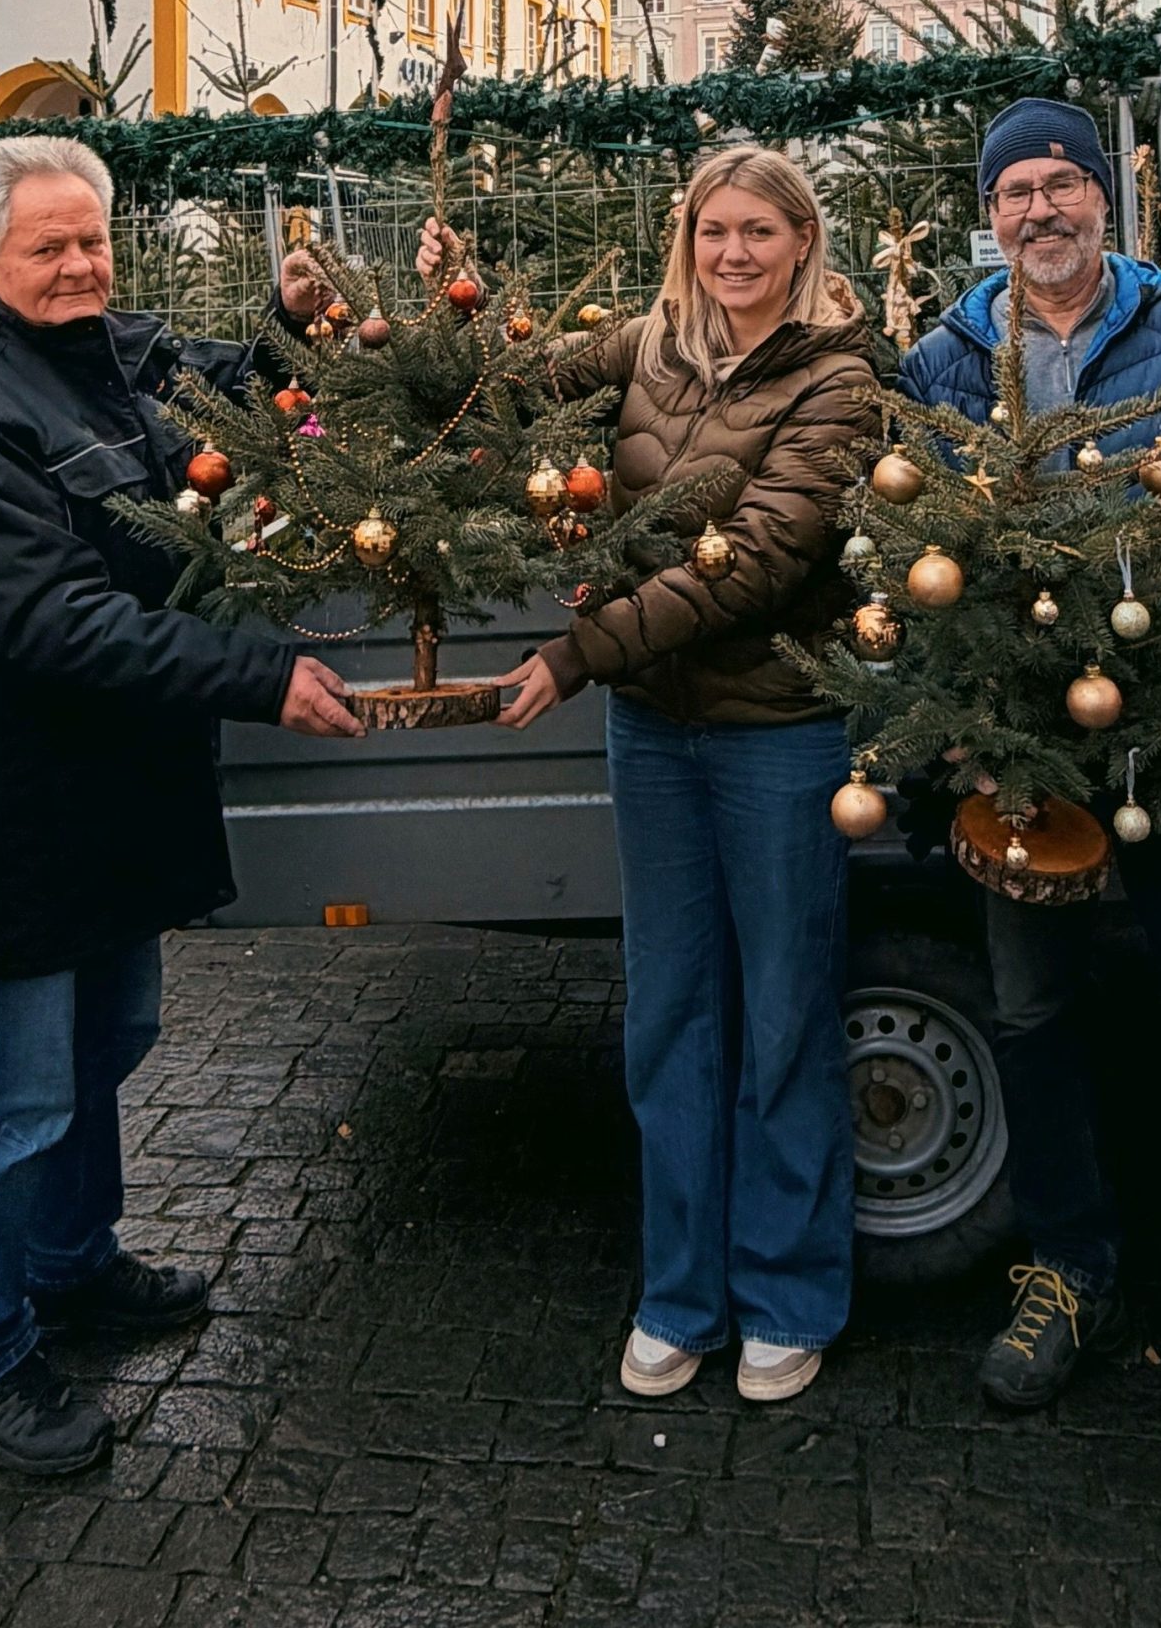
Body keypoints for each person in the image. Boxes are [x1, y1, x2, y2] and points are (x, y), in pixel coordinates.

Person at [0, 139, 364, 1477]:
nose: (77, 265)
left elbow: (246, 382)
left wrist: (293, 316)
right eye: (46, 248)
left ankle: (72, 1262)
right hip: (24, 811)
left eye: (91, 240)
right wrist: (260, 674)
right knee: (15, 1097)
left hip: (121, 793)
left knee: (115, 1035)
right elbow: (56, 623)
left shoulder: (114, 354)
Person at [896, 97, 1161, 1491]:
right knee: (1033, 1012)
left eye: (1061, 184)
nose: (1039, 210)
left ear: (1108, 194)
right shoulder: (947, 357)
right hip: (1021, 749)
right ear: (991, 212)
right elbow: (900, 537)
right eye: (1013, 190)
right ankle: (1068, 1265)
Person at [429, 145, 878, 1405]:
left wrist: (575, 655)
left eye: (757, 233)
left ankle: (788, 1292)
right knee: (669, 1010)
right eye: (711, 230)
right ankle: (681, 1293)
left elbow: (760, 561)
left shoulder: (839, 384)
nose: (732, 254)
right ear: (687, 238)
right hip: (655, 730)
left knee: (783, 1012)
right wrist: (454, 286)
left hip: (776, 731)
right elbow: (502, 389)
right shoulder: (650, 346)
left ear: (801, 243)